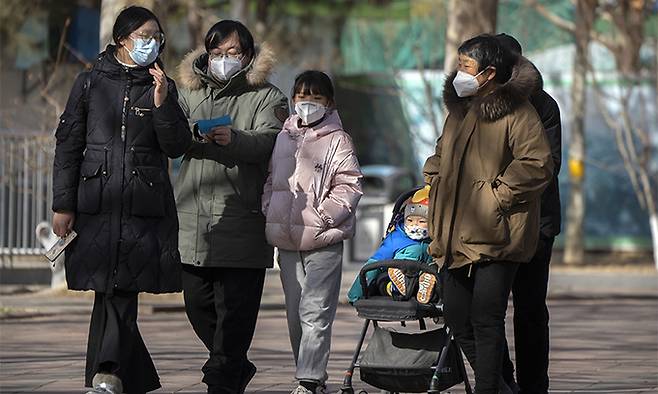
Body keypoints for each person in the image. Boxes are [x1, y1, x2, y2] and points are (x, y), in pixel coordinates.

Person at [51, 6, 191, 394]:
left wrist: (163, 103)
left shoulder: (161, 84)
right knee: (110, 288)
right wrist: (63, 205)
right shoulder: (89, 83)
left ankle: (107, 373)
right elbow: (68, 145)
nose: (152, 44)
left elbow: (177, 145)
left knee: (120, 286)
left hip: (143, 206)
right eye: (145, 36)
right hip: (97, 204)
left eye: (157, 37)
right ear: (121, 39)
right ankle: (122, 376)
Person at [422, 34, 553, 394]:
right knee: (456, 317)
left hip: (498, 235)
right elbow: (441, 153)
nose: (459, 72)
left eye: (466, 66)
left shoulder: (519, 112)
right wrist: (434, 174)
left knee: (486, 319)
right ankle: (500, 386)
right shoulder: (460, 109)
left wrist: (497, 196)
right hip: (453, 234)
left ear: (489, 72)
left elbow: (537, 163)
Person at [174, 20, 289, 394]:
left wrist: (235, 139)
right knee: (197, 305)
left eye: (232, 53)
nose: (224, 60)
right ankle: (234, 367)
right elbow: (169, 135)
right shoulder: (186, 92)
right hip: (193, 223)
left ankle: (223, 380)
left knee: (235, 317)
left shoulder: (269, 97)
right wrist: (192, 133)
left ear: (249, 55)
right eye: (217, 53)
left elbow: (271, 142)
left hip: (242, 220)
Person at [262, 70, 362, 394]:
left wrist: (322, 218)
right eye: (302, 96)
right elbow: (271, 180)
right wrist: (270, 209)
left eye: (316, 97)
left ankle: (308, 380)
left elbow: (350, 185)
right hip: (288, 243)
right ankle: (311, 377)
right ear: (293, 99)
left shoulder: (338, 140)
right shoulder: (283, 136)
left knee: (315, 311)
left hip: (323, 242)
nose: (307, 102)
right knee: (295, 315)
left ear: (329, 102)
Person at [496, 33, 562, 394]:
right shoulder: (479, 103)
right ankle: (501, 380)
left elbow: (547, 165)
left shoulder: (543, 105)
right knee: (486, 311)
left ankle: (534, 385)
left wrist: (497, 192)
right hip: (491, 223)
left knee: (530, 310)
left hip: (536, 224)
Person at [347, 185, 437, 304]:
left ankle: (423, 284)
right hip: (397, 272)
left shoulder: (435, 242)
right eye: (410, 220)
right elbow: (375, 262)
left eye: (421, 221)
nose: (414, 225)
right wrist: (356, 294)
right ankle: (394, 286)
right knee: (382, 280)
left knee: (434, 275)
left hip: (421, 279)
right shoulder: (395, 238)